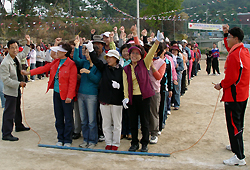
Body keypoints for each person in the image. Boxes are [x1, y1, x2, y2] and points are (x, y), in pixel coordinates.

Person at [22, 40, 77, 147]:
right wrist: (29, 72)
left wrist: (70, 96)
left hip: (66, 95)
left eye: (59, 51)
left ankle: (68, 139)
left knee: (68, 117)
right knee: (58, 117)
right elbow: (43, 68)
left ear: (65, 52)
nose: (57, 53)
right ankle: (60, 137)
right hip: (57, 93)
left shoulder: (71, 64)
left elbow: (72, 82)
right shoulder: (56, 62)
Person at [214, 25, 250, 166]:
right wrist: (224, 33)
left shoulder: (236, 55)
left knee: (234, 125)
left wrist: (220, 85)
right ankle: (235, 146)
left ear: (235, 38)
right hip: (242, 95)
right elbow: (230, 50)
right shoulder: (243, 51)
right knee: (238, 124)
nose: (227, 40)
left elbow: (231, 78)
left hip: (234, 96)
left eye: (229, 37)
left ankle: (239, 156)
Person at [123, 30, 163, 152]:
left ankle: (144, 143)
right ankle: (134, 143)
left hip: (144, 97)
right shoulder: (126, 68)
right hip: (132, 98)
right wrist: (126, 97)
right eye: (132, 53)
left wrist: (156, 42)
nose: (134, 55)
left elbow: (150, 53)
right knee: (133, 122)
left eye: (136, 53)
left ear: (141, 55)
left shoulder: (144, 64)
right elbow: (125, 84)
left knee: (145, 122)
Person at [86, 41, 124, 151]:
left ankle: (116, 143)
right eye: (107, 57)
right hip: (104, 100)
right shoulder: (104, 68)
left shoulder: (122, 71)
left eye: (110, 58)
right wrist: (91, 50)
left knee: (117, 124)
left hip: (117, 101)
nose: (108, 59)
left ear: (116, 58)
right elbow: (96, 61)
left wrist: (119, 86)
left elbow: (126, 85)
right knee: (106, 123)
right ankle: (108, 142)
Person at [0, 35, 31, 141]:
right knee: (9, 111)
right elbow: (6, 80)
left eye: (16, 47)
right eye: (12, 47)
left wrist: (28, 43)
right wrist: (19, 84)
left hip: (16, 88)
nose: (15, 50)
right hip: (10, 90)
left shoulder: (16, 57)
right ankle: (6, 133)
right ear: (7, 49)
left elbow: (23, 54)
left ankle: (19, 125)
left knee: (17, 108)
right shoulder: (5, 63)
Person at [73, 36, 101, 149]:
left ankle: (93, 140)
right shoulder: (84, 63)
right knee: (83, 120)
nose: (85, 54)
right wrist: (76, 46)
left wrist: (89, 72)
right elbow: (76, 59)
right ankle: (85, 139)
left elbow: (97, 80)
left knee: (91, 120)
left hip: (92, 95)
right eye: (85, 51)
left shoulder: (98, 66)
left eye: (87, 52)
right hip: (81, 94)